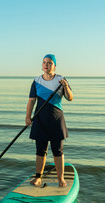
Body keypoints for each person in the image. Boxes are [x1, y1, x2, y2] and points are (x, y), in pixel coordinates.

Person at [25, 54, 73, 187]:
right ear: (42, 65)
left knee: (58, 150)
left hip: (56, 120)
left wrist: (66, 87)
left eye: (50, 63)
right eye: (44, 62)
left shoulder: (61, 80)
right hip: (40, 120)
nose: (46, 65)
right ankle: (38, 178)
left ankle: (61, 178)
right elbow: (31, 101)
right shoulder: (36, 81)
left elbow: (70, 98)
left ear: (55, 66)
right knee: (40, 150)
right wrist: (28, 117)